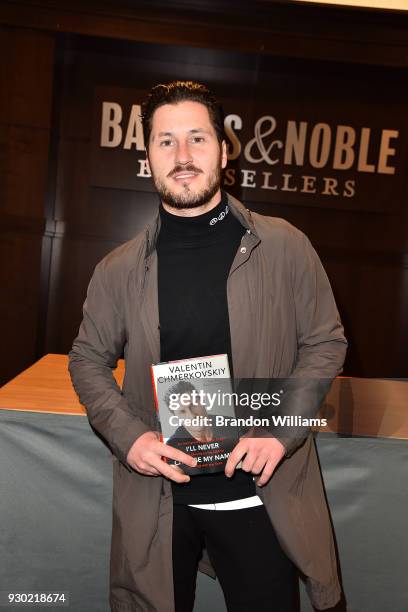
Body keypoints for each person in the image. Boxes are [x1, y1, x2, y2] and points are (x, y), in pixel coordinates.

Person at [69, 80, 347, 612]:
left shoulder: (284, 246)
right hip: (160, 496)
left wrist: (280, 430)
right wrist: (131, 440)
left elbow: (324, 342)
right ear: (148, 156)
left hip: (258, 491)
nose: (182, 156)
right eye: (165, 141)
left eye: (197, 138)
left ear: (223, 149)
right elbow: (87, 359)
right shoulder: (119, 268)